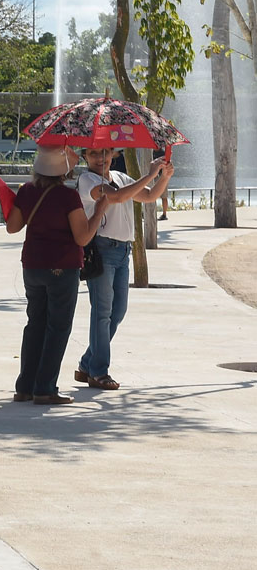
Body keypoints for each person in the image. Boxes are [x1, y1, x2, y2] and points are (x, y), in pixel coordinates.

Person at [2, 145, 109, 405]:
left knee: (35, 324)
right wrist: (99, 211)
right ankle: (45, 387)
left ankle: (25, 386)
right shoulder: (67, 196)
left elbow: (12, 228)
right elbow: (82, 237)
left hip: (32, 265)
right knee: (58, 327)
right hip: (62, 267)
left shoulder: (27, 191)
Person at [74, 148, 173, 391]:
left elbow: (148, 196)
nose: (101, 158)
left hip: (123, 250)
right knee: (103, 312)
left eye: (105, 153)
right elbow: (115, 198)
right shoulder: (88, 180)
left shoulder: (119, 178)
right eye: (94, 154)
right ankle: (98, 372)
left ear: (114, 154)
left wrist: (164, 176)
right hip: (102, 249)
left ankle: (87, 363)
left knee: (117, 312)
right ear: (85, 156)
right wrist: (150, 174)